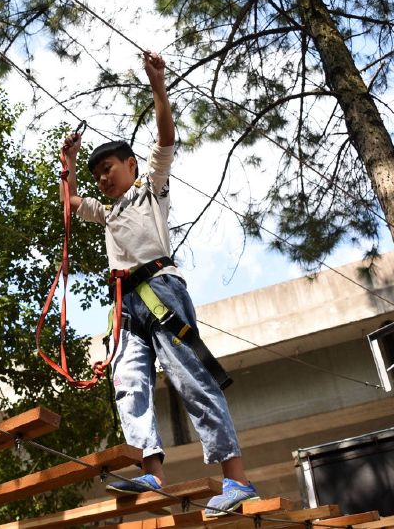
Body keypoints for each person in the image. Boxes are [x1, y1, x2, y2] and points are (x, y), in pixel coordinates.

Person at [60, 51, 258, 517]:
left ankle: (237, 480)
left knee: (192, 380)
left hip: (161, 292)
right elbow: (70, 206)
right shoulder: (106, 211)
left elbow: (166, 137)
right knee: (128, 382)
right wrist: (66, 164)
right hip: (125, 304)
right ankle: (150, 468)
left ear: (130, 164)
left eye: (108, 167)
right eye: (97, 174)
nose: (103, 178)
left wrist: (157, 86)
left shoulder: (152, 188)